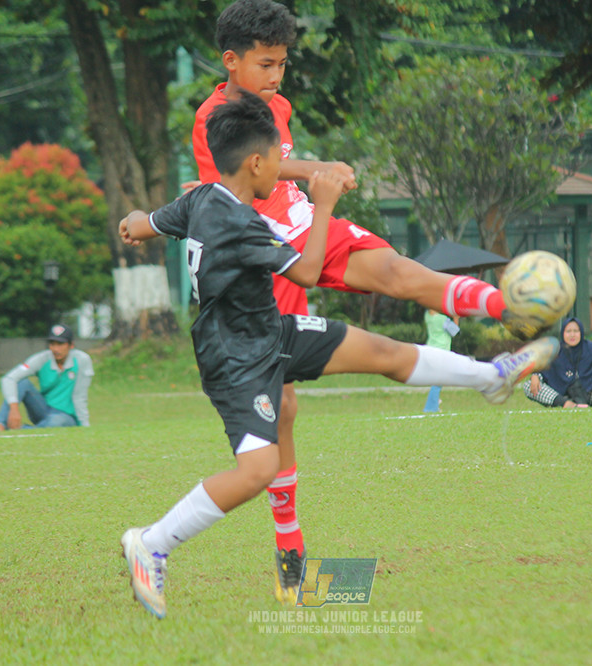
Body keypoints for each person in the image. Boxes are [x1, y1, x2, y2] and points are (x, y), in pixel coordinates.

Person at [116, 91, 559, 617]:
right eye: (280, 160)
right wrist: (322, 203)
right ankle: (152, 541)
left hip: (270, 330)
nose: (285, 170)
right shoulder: (240, 223)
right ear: (256, 163)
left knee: (385, 352)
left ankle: (490, 376)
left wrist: (134, 224)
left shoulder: (202, 199)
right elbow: (306, 271)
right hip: (237, 360)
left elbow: (151, 221)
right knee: (256, 471)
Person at [190, 0, 536, 600]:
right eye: (266, 64)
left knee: (397, 272)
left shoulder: (278, 106)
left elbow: (279, 166)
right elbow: (244, 180)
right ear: (231, 61)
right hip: (266, 261)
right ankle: (289, 548)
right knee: (286, 409)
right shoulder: (211, 119)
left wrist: (312, 182)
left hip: (310, 231)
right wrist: (317, 168)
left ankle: (510, 307)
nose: (276, 77)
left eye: (282, 64)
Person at [0, 324, 94, 431]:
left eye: (60, 344)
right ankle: (0, 424)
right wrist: (14, 408)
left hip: (65, 415)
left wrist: (84, 425)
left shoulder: (82, 360)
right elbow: (9, 378)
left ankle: (20, 430)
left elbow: (80, 396)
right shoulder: (42, 359)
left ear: (71, 345)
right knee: (22, 383)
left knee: (56, 422)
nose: (56, 349)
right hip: (43, 409)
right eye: (52, 344)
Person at [524, 317, 592, 408]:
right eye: (568, 331)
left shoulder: (589, 347)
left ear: (581, 332)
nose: (572, 335)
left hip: (591, 394)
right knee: (529, 385)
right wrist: (535, 375)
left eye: (576, 331)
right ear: (563, 333)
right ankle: (566, 404)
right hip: (563, 396)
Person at [422, 309, 461, 412]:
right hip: (442, 351)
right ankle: (431, 407)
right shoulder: (442, 319)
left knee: (437, 379)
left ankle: (434, 401)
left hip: (431, 349)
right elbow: (455, 331)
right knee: (439, 380)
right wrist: (456, 318)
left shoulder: (427, 316)